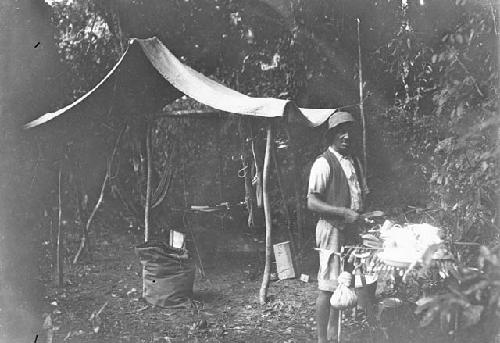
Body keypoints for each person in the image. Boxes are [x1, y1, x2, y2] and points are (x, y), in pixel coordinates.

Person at [307, 111, 369, 343]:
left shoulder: (354, 162)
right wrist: (343, 212)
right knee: (327, 287)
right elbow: (312, 201)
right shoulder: (324, 163)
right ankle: (322, 338)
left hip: (351, 229)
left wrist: (363, 214)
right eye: (340, 132)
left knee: (343, 283)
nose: (346, 137)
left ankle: (335, 332)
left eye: (349, 132)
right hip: (331, 229)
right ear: (331, 136)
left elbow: (358, 195)